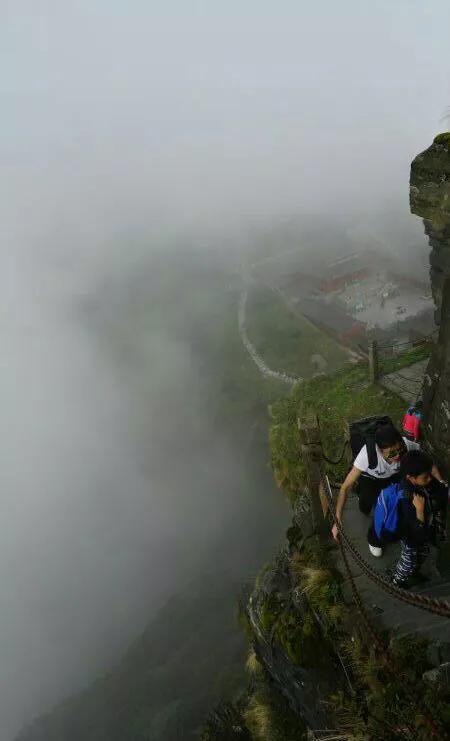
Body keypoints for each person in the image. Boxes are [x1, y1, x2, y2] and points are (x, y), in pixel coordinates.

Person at [331, 424, 444, 541]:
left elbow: (427, 463)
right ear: (380, 450)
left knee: (387, 507)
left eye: (399, 450)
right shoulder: (366, 455)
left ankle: (384, 531)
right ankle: (365, 506)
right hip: (372, 479)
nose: (397, 456)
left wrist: (441, 481)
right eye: (392, 453)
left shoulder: (407, 445)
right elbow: (345, 487)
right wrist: (337, 518)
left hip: (394, 476)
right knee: (367, 506)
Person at [389, 450, 446, 588]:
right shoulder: (406, 497)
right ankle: (397, 582)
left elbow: (439, 491)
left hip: (423, 532)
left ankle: (414, 572)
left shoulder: (423, 483)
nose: (429, 479)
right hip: (411, 537)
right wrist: (419, 511)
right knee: (407, 561)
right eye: (425, 477)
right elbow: (413, 530)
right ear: (411, 478)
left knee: (423, 553)